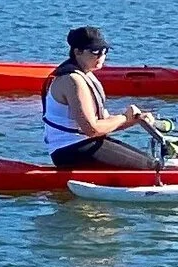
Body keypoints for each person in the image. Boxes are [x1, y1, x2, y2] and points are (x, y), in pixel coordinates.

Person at [43, 27, 166, 170]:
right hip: (68, 150)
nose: (101, 56)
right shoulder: (72, 80)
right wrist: (125, 117)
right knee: (151, 167)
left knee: (150, 161)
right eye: (95, 51)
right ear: (77, 52)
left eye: (104, 51)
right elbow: (92, 129)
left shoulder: (86, 74)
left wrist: (136, 119)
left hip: (85, 143)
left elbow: (104, 124)